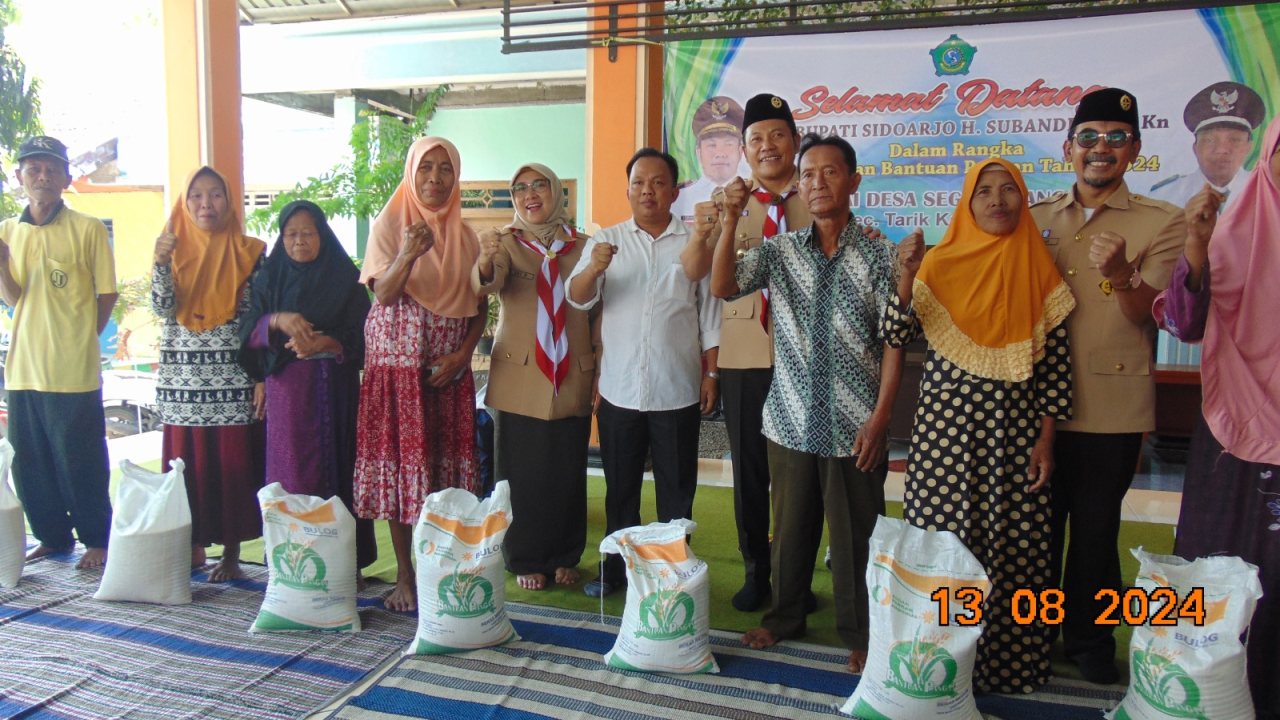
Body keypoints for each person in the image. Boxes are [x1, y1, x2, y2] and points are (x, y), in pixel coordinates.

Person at [712, 134, 904, 673]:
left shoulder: (880, 254)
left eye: (831, 172)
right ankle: (785, 616)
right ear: (799, 186)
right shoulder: (781, 251)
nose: (818, 183)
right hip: (790, 418)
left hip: (855, 424)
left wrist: (881, 418)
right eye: (809, 174)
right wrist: (729, 221)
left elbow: (895, 341)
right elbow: (724, 285)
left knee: (856, 535)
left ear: (854, 181)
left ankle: (861, 632)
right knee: (791, 531)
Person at [887, 158, 1075, 693]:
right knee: (945, 544)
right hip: (945, 437)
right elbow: (895, 333)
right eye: (984, 191)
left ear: (1023, 199)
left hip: (1016, 439)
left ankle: (1010, 666)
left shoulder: (1039, 268)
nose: (997, 200)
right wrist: (906, 274)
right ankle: (936, 666)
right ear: (968, 204)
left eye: (1008, 189)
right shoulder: (939, 263)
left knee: (1017, 549)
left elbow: (1055, 367)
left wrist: (1046, 439)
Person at [1029, 88, 1185, 684]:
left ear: (1135, 150)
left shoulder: (1161, 221)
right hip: (1034, 405)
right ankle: (1033, 634)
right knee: (1036, 530)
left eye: (1116, 138)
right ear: (1068, 147)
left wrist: (1120, 273)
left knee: (1096, 530)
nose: (1101, 148)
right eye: (1089, 137)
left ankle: (1090, 640)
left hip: (1111, 404)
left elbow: (1150, 314)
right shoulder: (1036, 218)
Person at [1152, 115, 1280, 720]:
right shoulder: (1231, 229)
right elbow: (1184, 323)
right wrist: (1197, 248)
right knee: (1220, 565)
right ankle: (1204, 695)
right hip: (1234, 428)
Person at [566, 148, 721, 599]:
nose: (647, 191)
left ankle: (673, 572)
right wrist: (594, 268)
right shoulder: (607, 241)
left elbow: (710, 313)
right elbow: (576, 297)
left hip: (677, 387)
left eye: (657, 182)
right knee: (621, 489)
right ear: (628, 190)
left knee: (677, 491)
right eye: (638, 182)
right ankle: (614, 570)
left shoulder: (695, 242)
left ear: (674, 191)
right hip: (620, 390)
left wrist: (711, 374)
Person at [680, 92, 813, 612]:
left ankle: (796, 578)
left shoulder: (816, 196)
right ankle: (757, 570)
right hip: (743, 357)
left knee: (802, 476)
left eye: (777, 135)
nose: (767, 146)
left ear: (795, 141)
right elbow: (695, 271)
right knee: (751, 474)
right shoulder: (727, 203)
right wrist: (708, 228)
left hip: (807, 359)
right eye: (756, 138)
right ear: (744, 148)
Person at [354, 136, 483, 612]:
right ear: (412, 173)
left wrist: (463, 356)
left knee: (445, 472)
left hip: (446, 371)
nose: (435, 178)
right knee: (403, 470)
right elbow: (384, 295)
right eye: (426, 167)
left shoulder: (465, 236)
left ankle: (444, 571)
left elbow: (478, 309)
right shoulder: (390, 225)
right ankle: (406, 577)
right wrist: (409, 252)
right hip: (399, 372)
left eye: (445, 168)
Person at [472, 163, 597, 591]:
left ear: (556, 191)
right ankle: (523, 556)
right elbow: (489, 283)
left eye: (539, 185)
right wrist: (484, 260)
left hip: (572, 371)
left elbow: (598, 311)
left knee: (567, 469)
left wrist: (599, 364)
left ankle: (565, 555)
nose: (530, 194)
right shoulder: (505, 243)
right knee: (520, 472)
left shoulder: (583, 246)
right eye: (520, 188)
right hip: (520, 374)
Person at [239, 200, 376, 576]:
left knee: (339, 473)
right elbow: (246, 331)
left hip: (336, 390)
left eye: (308, 233)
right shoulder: (270, 277)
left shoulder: (344, 277)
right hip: (288, 395)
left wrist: (327, 342)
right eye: (291, 234)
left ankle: (345, 567)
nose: (299, 241)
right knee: (293, 474)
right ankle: (291, 569)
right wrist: (277, 320)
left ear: (323, 235)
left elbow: (366, 333)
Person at [0, 135, 117, 570]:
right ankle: (52, 537)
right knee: (29, 462)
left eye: (52, 169)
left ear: (67, 178)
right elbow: (15, 300)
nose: (43, 176)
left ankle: (97, 539)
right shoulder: (8, 231)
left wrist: (84, 337)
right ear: (20, 177)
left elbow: (107, 293)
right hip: (22, 368)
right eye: (34, 169)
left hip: (73, 370)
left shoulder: (87, 228)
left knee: (81, 459)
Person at [151, 166, 267, 582]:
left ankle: (232, 553)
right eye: (196, 195)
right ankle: (192, 546)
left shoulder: (250, 252)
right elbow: (162, 307)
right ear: (185, 203)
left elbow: (258, 320)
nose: (206, 204)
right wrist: (160, 263)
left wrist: (261, 376)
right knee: (185, 469)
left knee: (232, 468)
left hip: (232, 382)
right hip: (182, 383)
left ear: (229, 201)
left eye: (216, 194)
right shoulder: (170, 247)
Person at [1148, 82, 1265, 208]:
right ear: (1195, 148)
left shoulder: (1270, 191)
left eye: (1234, 140)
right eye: (1210, 140)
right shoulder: (1163, 197)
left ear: (1248, 147)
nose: (1222, 149)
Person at [671, 96, 746, 225]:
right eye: (712, 145)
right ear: (698, 152)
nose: (720, 154)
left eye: (728, 144)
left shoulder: (754, 196)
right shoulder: (678, 198)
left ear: (740, 151)